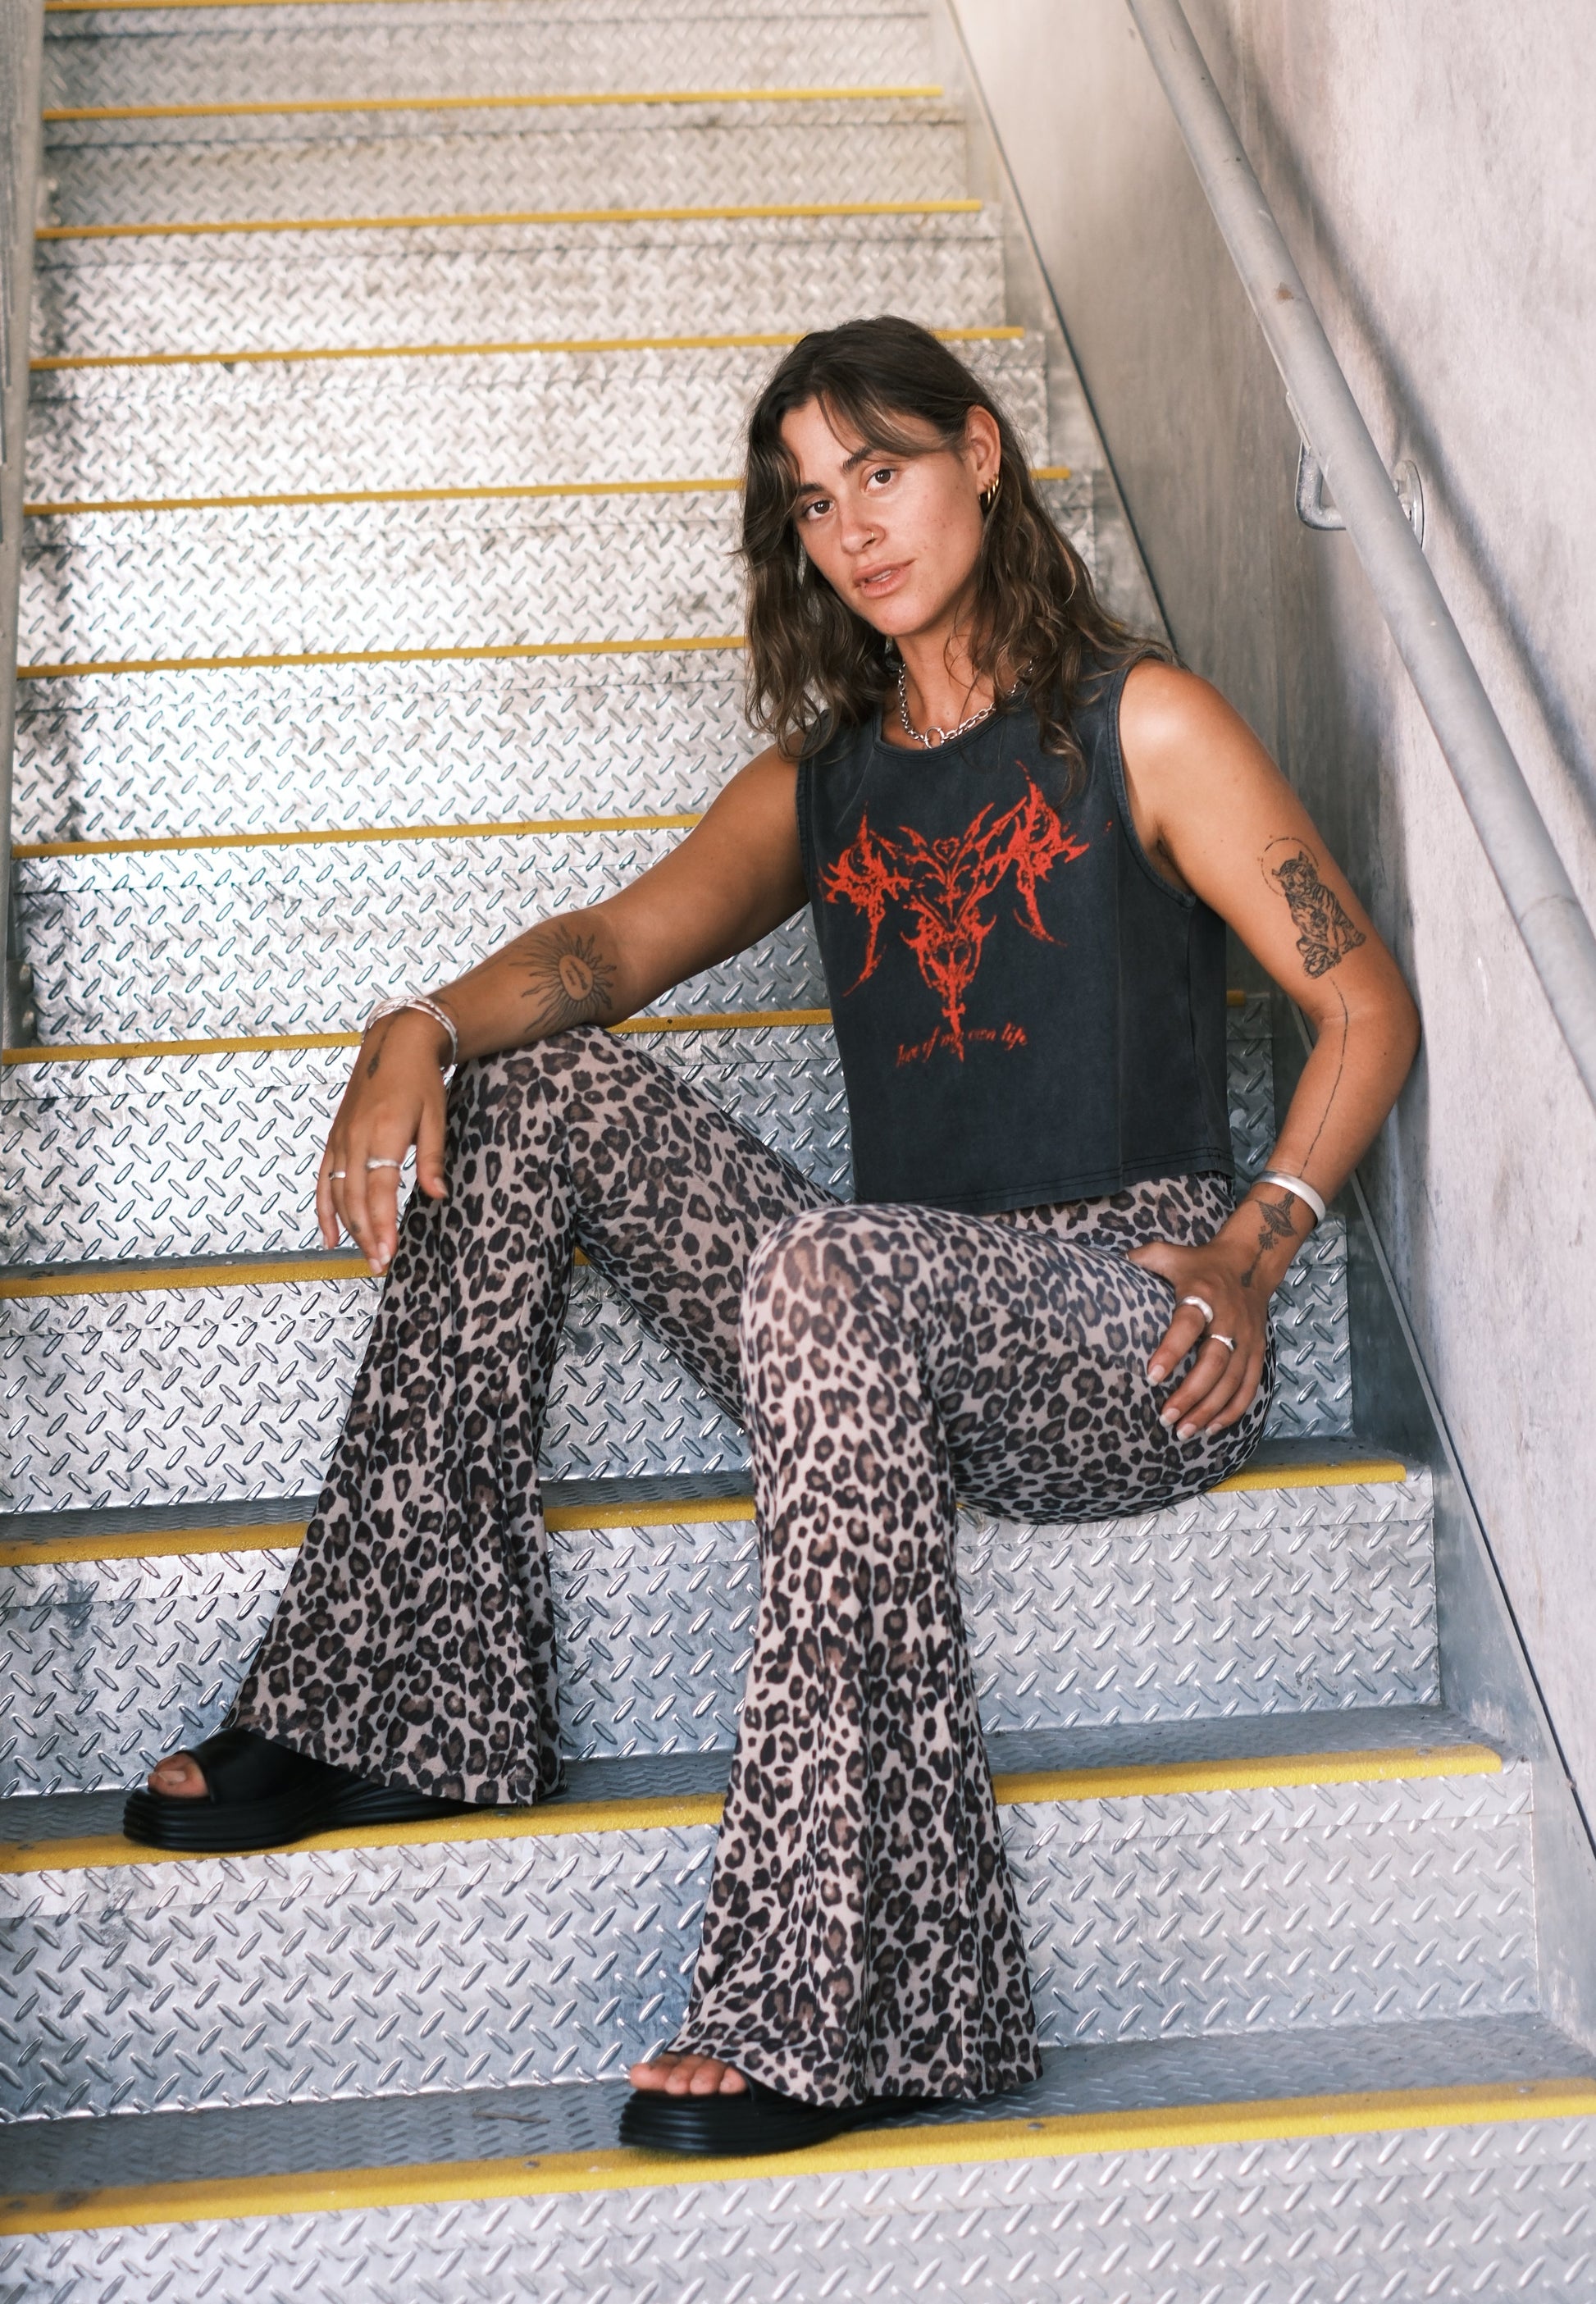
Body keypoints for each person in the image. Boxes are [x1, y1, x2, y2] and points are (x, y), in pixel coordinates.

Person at [123, 316, 1420, 2156]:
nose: (853, 529)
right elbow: (603, 955)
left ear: (981, 454)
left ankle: (863, 1998)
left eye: (881, 472)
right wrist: (413, 1025)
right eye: (813, 503)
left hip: (1124, 1327)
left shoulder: (1143, 721)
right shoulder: (820, 783)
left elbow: (1360, 1000)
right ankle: (398, 1698)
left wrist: (1254, 1244)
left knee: (831, 1261)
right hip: (872, 1317)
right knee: (537, 1087)